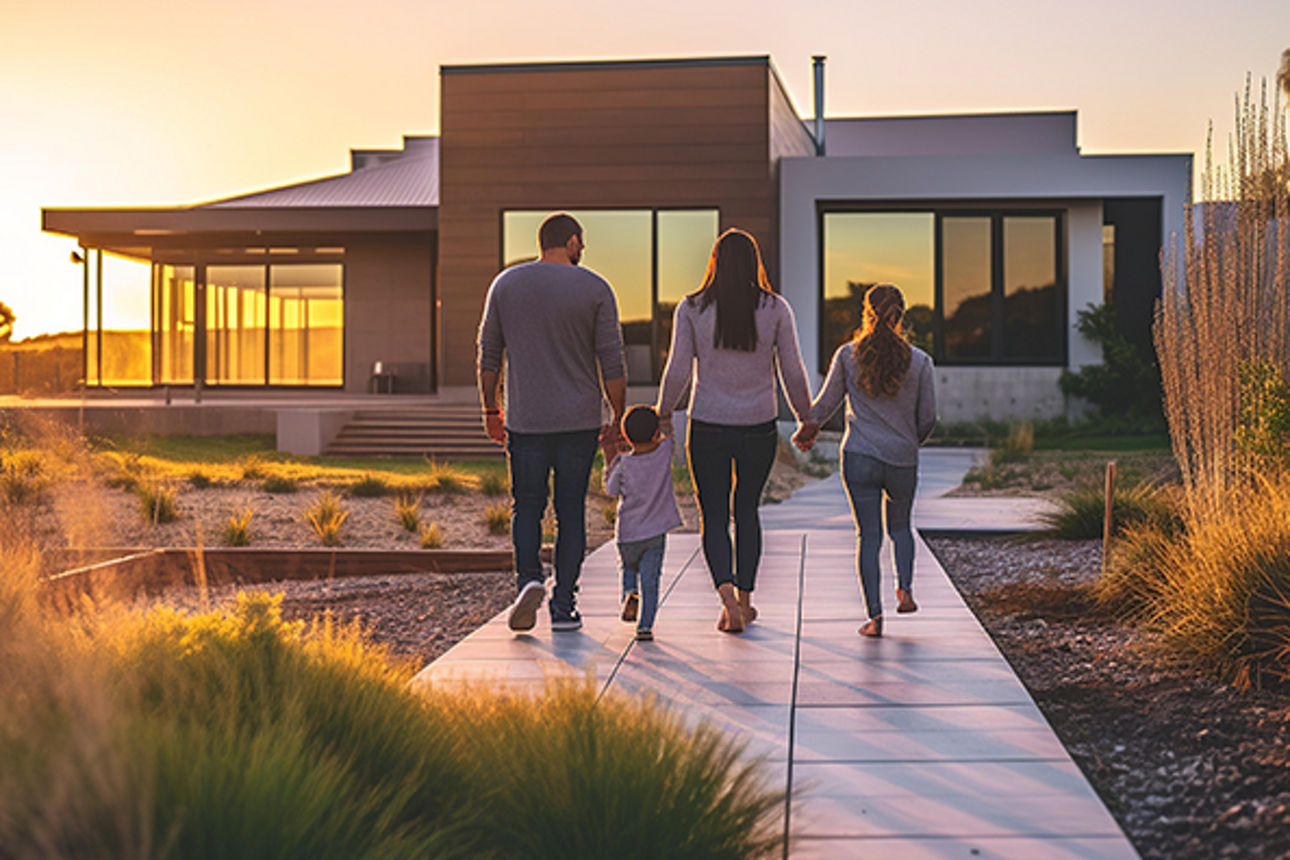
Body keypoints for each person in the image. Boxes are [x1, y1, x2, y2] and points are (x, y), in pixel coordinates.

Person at [657, 228, 812, 634]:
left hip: (707, 424)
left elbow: (677, 369)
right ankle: (744, 600)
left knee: (713, 516)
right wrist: (806, 417)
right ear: (754, 263)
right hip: (757, 426)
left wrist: (662, 414)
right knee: (747, 512)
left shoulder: (691, 308)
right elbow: (792, 369)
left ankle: (727, 603)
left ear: (715, 262)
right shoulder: (776, 308)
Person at [477, 212, 626, 633]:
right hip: (579, 421)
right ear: (573, 241)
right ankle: (563, 606)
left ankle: (528, 581)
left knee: (527, 505)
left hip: (526, 420)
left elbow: (488, 355)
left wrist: (490, 408)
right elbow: (612, 361)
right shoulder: (595, 288)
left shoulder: (506, 284)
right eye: (582, 243)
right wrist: (616, 417)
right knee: (570, 511)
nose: (583, 250)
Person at [793, 284, 936, 638]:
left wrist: (807, 429)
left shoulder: (847, 355)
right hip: (902, 458)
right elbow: (929, 417)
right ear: (900, 316)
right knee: (901, 527)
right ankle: (905, 589)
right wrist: (908, 443)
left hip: (859, 456)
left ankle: (875, 618)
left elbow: (825, 406)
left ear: (866, 314)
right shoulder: (920, 361)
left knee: (868, 537)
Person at [602, 404, 683, 641]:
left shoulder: (624, 464)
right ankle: (645, 627)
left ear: (626, 435)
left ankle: (629, 593)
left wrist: (610, 459)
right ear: (656, 432)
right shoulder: (664, 451)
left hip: (627, 533)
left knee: (628, 568)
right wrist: (663, 417)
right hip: (654, 533)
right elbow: (669, 432)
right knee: (651, 579)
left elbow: (611, 489)